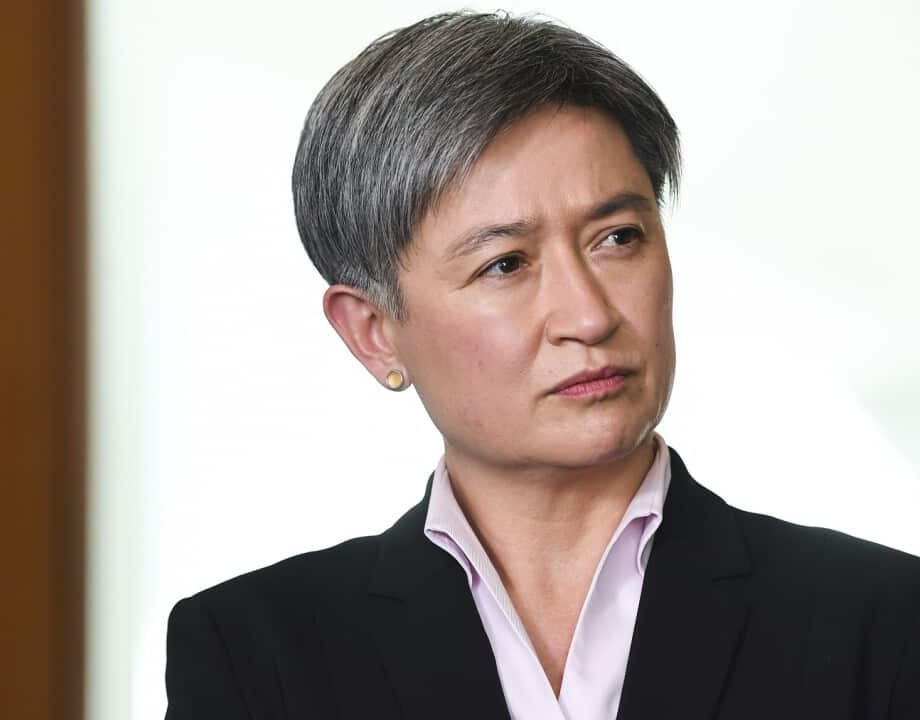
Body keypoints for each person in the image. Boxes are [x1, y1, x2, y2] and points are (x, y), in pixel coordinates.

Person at [164, 11, 920, 719]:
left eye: (618, 237)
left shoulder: (880, 620)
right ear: (372, 332)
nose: (590, 316)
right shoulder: (256, 653)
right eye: (506, 264)